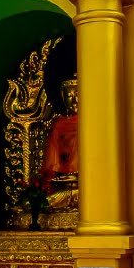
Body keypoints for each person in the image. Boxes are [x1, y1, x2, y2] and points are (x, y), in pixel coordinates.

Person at [40, 77, 79, 210]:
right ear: (63, 98)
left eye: (78, 95)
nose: (74, 100)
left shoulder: (93, 124)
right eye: (69, 95)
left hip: (88, 186)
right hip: (63, 185)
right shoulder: (59, 125)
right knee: (34, 205)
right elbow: (53, 162)